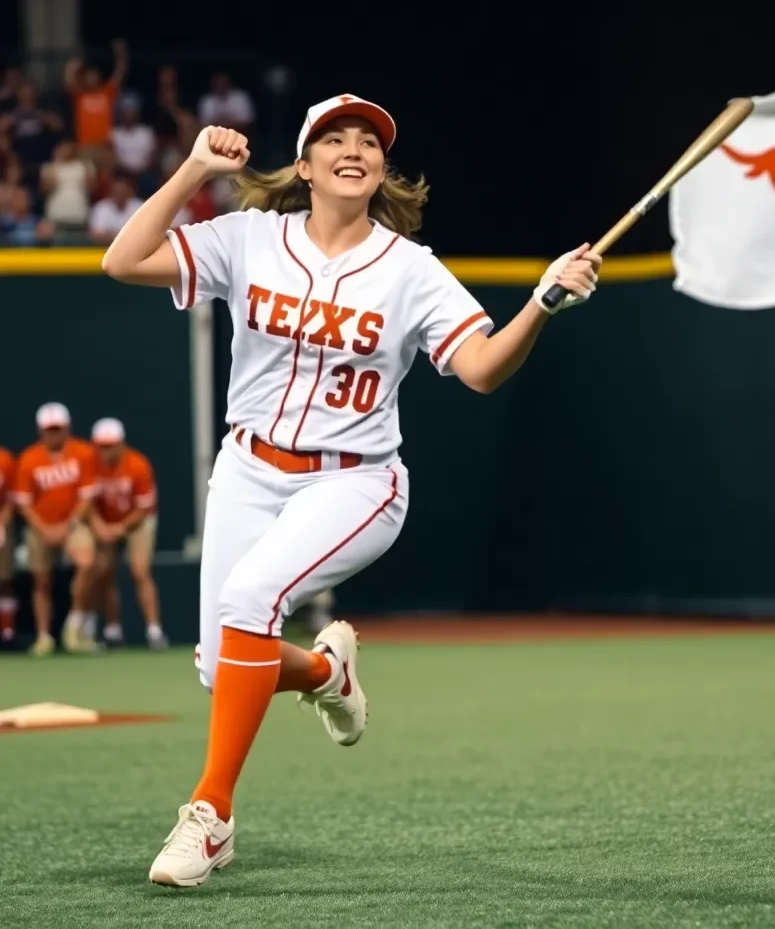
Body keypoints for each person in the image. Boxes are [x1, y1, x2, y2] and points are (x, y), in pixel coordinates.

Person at [99, 94, 601, 888]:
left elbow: (479, 370)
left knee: (252, 600)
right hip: (248, 467)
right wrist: (194, 165)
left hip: (355, 480)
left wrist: (540, 304)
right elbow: (122, 261)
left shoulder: (410, 269)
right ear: (304, 166)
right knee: (218, 663)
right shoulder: (250, 239)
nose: (355, 147)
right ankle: (328, 675)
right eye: (334, 137)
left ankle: (211, 815)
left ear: (379, 172)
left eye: (370, 140)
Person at [10, 403, 97, 656]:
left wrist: (67, 525)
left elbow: (87, 497)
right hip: (40, 526)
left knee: (87, 563)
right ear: (40, 431)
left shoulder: (82, 453)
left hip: (73, 524)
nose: (54, 434)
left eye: (58, 429)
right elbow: (24, 504)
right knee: (41, 580)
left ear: (67, 428)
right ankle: (43, 636)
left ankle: (75, 625)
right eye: (49, 430)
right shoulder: (29, 458)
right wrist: (45, 529)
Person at [88, 418, 167, 650]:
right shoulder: (91, 464)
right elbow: (86, 501)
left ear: (121, 444)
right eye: (101, 445)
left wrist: (120, 528)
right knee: (104, 571)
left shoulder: (138, 464)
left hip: (137, 522)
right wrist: (101, 526)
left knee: (140, 571)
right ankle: (112, 630)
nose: (106, 450)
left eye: (110, 445)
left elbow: (143, 507)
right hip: (105, 522)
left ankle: (154, 631)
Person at [0, 444, 15, 644]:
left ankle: (7, 633)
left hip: (2, 524)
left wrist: (1, 523)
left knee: (4, 579)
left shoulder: (5, 459)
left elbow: (13, 497)